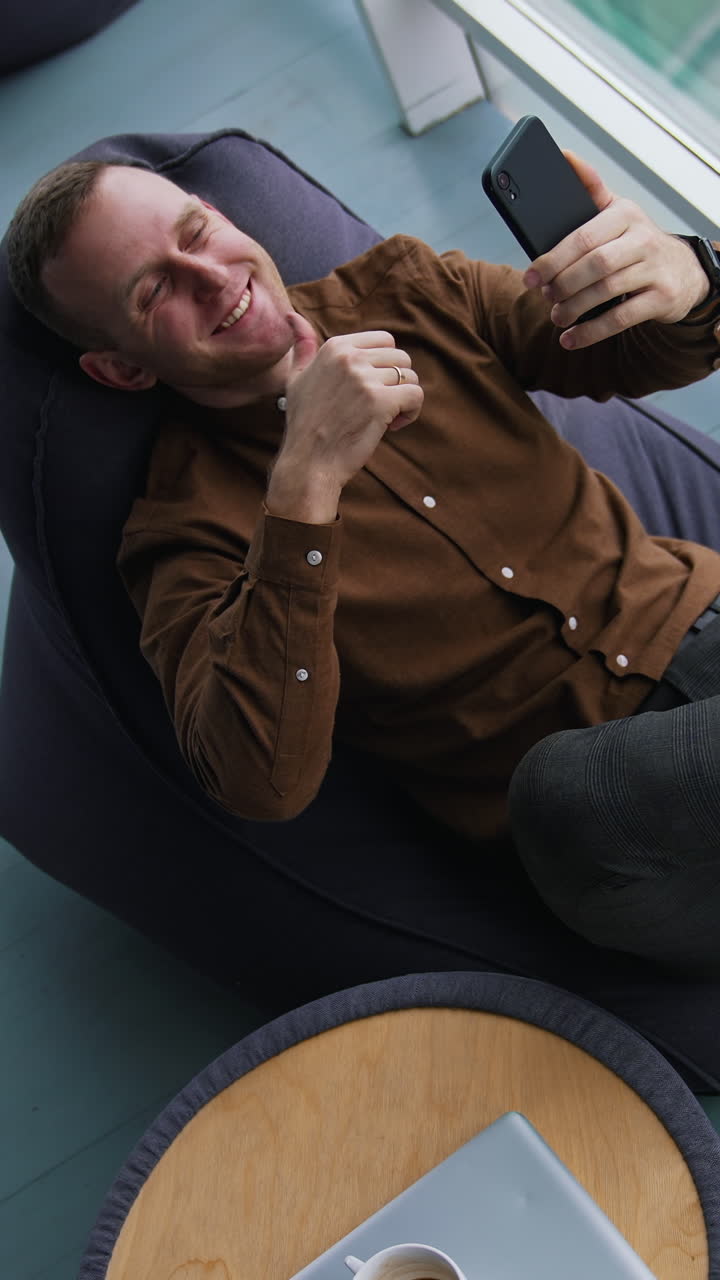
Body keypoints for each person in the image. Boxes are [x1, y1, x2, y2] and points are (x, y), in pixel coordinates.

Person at [6, 152, 720, 973]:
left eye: (197, 233)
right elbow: (258, 779)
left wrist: (684, 277)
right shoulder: (179, 532)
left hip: (700, 625)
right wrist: (305, 485)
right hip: (616, 837)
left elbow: (634, 353)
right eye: (155, 289)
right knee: (561, 795)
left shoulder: (407, 290)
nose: (209, 275)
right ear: (124, 367)